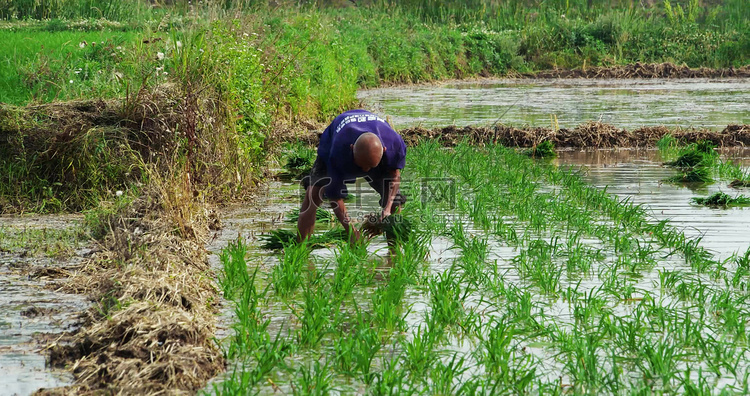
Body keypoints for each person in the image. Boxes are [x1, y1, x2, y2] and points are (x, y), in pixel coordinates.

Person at [298, 109, 407, 242]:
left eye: (370, 167)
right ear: (351, 148)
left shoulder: (394, 145)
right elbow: (335, 197)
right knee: (313, 195)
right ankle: (301, 248)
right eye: (361, 166)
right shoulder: (338, 151)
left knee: (395, 202)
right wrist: (350, 230)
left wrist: (387, 209)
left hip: (374, 150)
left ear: (383, 151)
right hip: (335, 139)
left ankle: (393, 255)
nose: (365, 170)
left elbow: (395, 175)